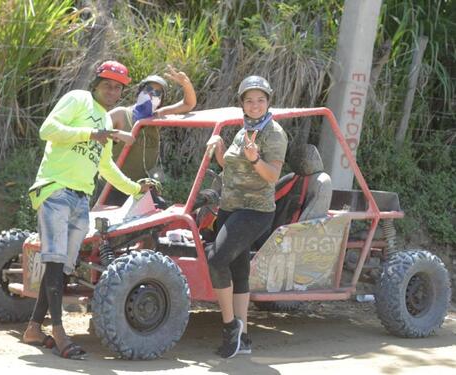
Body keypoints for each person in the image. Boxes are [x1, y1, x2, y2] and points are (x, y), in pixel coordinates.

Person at [22, 60, 152, 360]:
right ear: (96, 83)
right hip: (55, 190)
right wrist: (91, 135)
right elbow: (48, 129)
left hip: (81, 199)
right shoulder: (78, 99)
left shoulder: (106, 121)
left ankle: (33, 328)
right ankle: (59, 331)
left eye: (118, 87)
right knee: (55, 266)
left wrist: (135, 189)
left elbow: (105, 165)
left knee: (62, 268)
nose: (112, 89)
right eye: (107, 83)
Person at [206, 76, 288, 358]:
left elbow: (272, 176)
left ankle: (230, 327)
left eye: (260, 100)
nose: (255, 105)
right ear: (242, 103)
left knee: (217, 260)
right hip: (230, 207)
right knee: (238, 271)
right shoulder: (243, 131)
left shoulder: (273, 133)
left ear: (268, 102)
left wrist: (255, 159)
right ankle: (244, 337)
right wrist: (219, 150)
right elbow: (230, 167)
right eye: (249, 100)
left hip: (255, 210)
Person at [100, 64, 197, 205]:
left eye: (157, 94)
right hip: (113, 188)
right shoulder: (121, 114)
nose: (152, 95)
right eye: (148, 90)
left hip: (141, 189)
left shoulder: (157, 116)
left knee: (161, 214)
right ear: (139, 92)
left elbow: (189, 104)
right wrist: (116, 133)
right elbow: (93, 131)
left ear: (161, 101)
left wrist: (185, 84)